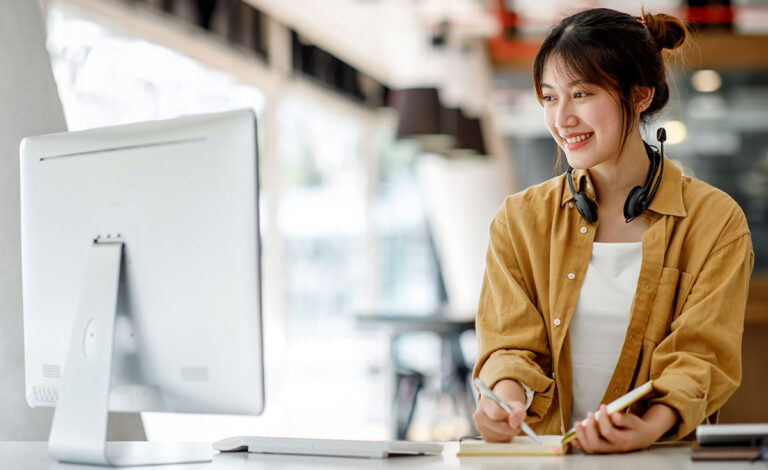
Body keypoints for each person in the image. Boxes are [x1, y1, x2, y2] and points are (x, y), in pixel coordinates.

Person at [471, 7, 754, 454]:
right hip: (545, 460)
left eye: (581, 94)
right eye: (548, 97)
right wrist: (506, 403)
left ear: (640, 95)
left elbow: (702, 358)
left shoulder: (715, 222)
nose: (561, 118)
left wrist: (648, 429)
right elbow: (509, 344)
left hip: (657, 459)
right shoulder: (519, 220)